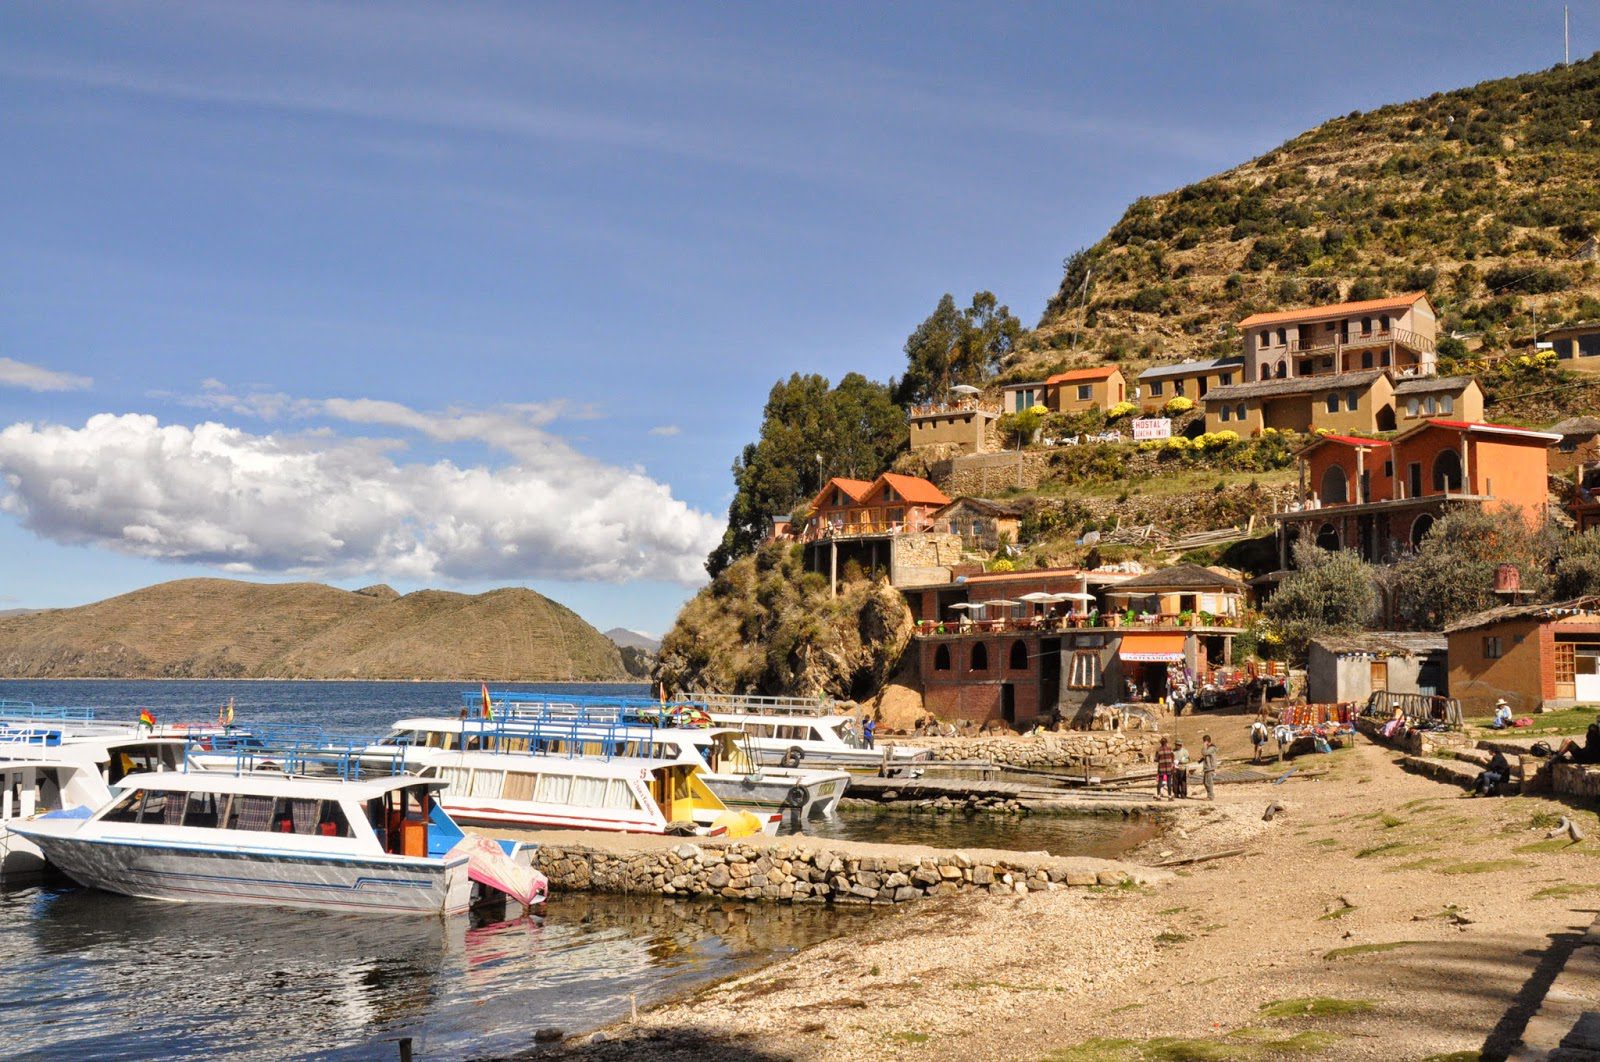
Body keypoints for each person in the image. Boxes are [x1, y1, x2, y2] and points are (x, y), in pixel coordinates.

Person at [1201, 734, 1220, 801]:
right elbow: (1205, 755)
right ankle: (1210, 795)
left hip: (1210, 767)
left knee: (1208, 782)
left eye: (1204, 741)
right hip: (1207, 767)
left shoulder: (1211, 748)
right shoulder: (1209, 748)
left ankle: (1210, 796)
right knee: (1205, 782)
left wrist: (1204, 745)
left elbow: (1204, 753)